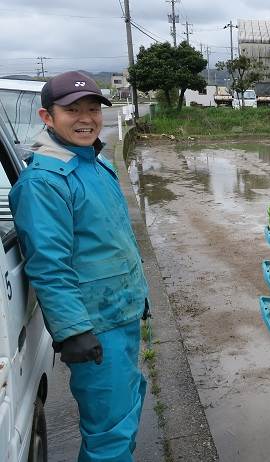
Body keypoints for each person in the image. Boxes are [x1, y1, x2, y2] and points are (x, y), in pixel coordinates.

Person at [9, 71, 149, 461]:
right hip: (96, 326)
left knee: (125, 411)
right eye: (73, 110)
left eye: (92, 108)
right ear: (47, 117)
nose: (86, 117)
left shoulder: (94, 164)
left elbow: (113, 241)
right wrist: (74, 331)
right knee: (110, 433)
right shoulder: (45, 182)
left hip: (121, 313)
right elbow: (49, 266)